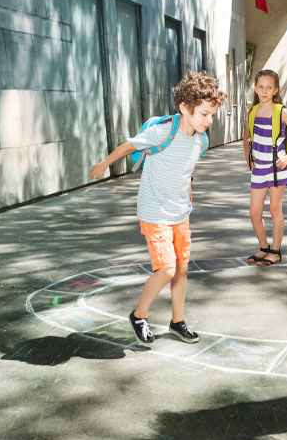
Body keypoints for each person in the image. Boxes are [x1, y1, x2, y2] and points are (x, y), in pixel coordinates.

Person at [89, 71, 227, 348]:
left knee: (182, 269)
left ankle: (177, 320)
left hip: (180, 212)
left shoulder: (201, 140)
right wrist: (103, 164)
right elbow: (130, 145)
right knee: (166, 269)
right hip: (154, 211)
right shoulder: (165, 130)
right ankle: (139, 315)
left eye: (212, 115)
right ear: (185, 108)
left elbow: (185, 171)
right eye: (203, 114)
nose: (208, 120)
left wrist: (188, 196)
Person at [242, 69, 287, 266]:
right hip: (259, 168)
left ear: (275, 90)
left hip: (277, 167)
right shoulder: (253, 111)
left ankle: (276, 251)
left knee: (274, 209)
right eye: (261, 86)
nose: (264, 90)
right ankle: (263, 248)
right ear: (255, 88)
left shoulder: (281, 111)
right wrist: (248, 158)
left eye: (269, 87)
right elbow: (246, 138)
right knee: (254, 212)